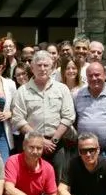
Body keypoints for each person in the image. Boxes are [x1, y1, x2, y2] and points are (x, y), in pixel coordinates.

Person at [11, 50, 75, 180]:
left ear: (52, 68)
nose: (42, 68)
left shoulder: (62, 89)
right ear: (32, 68)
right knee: (32, 180)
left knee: (59, 180)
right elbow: (18, 119)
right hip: (31, 145)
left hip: (56, 144)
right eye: (39, 65)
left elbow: (68, 117)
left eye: (46, 65)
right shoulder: (22, 91)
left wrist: (53, 140)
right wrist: (40, 140)